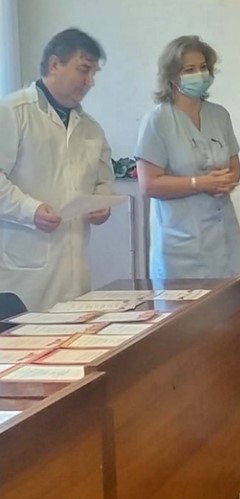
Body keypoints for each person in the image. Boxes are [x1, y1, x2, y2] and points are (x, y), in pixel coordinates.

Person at [0, 28, 113, 312]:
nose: (90, 82)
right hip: (22, 278)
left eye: (94, 73)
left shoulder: (91, 128)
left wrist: (101, 205)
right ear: (54, 64)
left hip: (74, 272)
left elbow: (103, 182)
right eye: (84, 70)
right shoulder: (13, 113)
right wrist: (31, 210)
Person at [134, 35, 240, 280]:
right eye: (190, 70)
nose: (200, 74)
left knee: (232, 301)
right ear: (173, 76)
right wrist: (200, 183)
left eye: (203, 67)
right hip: (180, 246)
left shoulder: (219, 115)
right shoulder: (157, 121)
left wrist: (227, 180)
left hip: (224, 238)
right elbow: (149, 184)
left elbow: (235, 166)